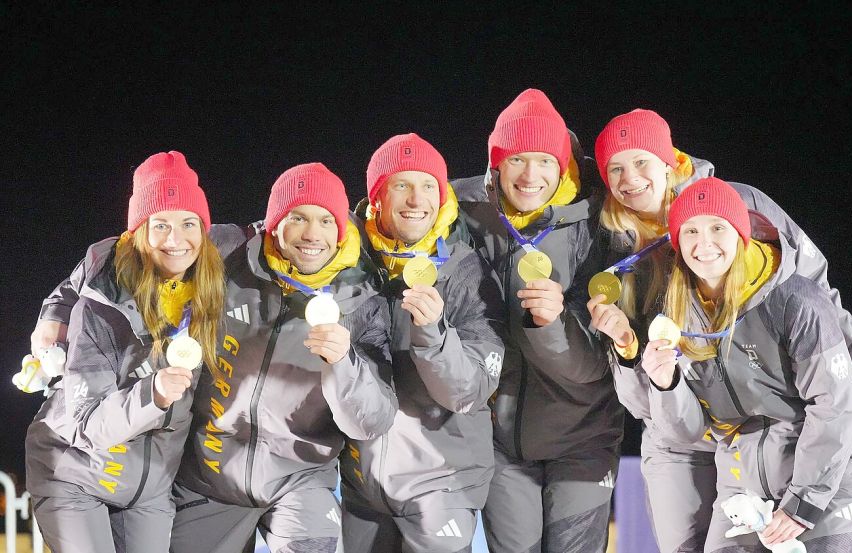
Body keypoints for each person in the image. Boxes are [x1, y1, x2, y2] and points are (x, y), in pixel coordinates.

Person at [32, 162, 398, 553]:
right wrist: (56, 312)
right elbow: (118, 250)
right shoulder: (231, 250)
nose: (312, 233)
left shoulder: (364, 299)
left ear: (342, 228)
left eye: (327, 220)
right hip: (210, 478)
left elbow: (373, 420)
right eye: (297, 217)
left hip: (300, 479)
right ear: (273, 223)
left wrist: (344, 364)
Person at [585, 109, 852, 552]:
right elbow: (638, 368)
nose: (630, 178)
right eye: (615, 168)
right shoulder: (612, 243)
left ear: (668, 159)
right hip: (689, 419)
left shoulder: (739, 204)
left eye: (641, 161)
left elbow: (814, 298)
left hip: (766, 418)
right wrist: (634, 359)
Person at [644, 177, 852, 551]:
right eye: (690, 230)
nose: (703, 243)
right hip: (745, 480)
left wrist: (802, 504)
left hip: (832, 475)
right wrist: (666, 385)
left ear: (741, 234)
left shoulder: (795, 300)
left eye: (717, 228)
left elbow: (834, 406)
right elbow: (685, 431)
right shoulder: (677, 315)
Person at [25, 151, 225, 553]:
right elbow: (86, 425)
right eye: (161, 225)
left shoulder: (212, 283)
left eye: (189, 224)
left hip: (148, 490)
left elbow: (280, 233)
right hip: (75, 472)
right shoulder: (101, 304)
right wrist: (152, 395)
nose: (176, 239)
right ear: (137, 233)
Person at [452, 89, 621, 553]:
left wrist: (552, 325)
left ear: (565, 167)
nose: (531, 175)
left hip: (583, 438)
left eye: (546, 161)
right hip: (500, 442)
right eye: (517, 159)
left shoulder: (598, 224)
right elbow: (397, 204)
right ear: (496, 165)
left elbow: (598, 364)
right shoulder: (462, 212)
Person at [340, 133, 505, 552]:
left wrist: (432, 333)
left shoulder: (469, 273)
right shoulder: (345, 262)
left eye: (428, 185)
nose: (417, 199)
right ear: (376, 198)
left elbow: (470, 390)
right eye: (402, 185)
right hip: (362, 485)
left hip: (442, 482)